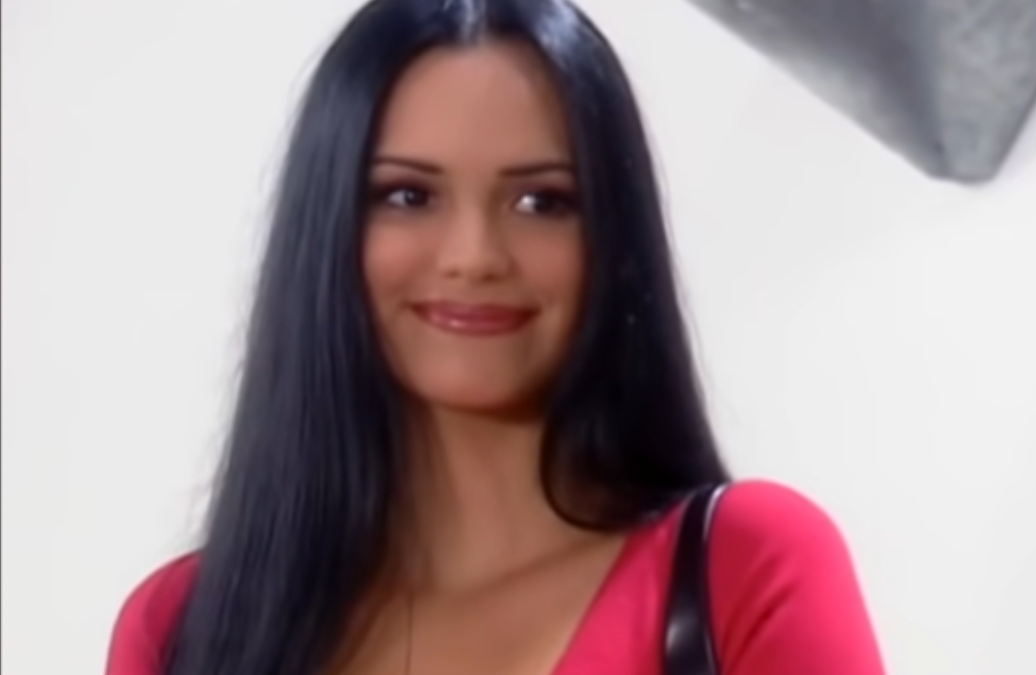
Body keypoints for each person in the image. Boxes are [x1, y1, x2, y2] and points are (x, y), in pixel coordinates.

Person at [105, 1, 887, 674]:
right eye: (408, 195)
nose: (474, 256)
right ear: (329, 226)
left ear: (613, 236)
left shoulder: (746, 567)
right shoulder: (179, 628)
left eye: (541, 202)